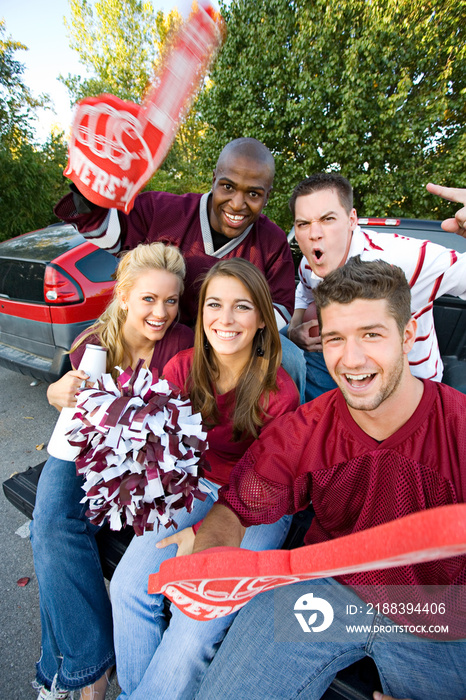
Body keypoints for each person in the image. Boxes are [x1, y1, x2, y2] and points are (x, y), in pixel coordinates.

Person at [192, 258, 466, 700]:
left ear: (408, 336)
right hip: (330, 592)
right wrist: (209, 559)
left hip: (439, 611)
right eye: (336, 338)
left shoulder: (458, 427)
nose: (352, 360)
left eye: (371, 335)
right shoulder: (306, 430)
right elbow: (235, 508)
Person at [110, 258, 300, 699]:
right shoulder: (182, 367)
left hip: (259, 504)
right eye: (215, 304)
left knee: (195, 621)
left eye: (242, 307)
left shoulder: (278, 392)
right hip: (195, 486)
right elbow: (163, 450)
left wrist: (201, 533)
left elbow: (262, 487)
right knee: (129, 587)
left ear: (261, 320)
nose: (226, 319)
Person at [30, 242, 194, 700]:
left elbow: (172, 434)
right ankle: (91, 674)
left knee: (53, 542)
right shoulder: (92, 344)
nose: (161, 312)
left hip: (144, 469)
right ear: (123, 296)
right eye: (148, 298)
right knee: (51, 527)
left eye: (171, 300)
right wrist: (55, 392)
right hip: (86, 451)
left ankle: (71, 675)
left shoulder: (181, 346)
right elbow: (76, 416)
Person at [54, 137, 306, 401]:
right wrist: (92, 180)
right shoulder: (162, 210)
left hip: (231, 338)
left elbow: (280, 307)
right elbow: (104, 230)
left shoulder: (272, 240)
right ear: (214, 178)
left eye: (253, 193)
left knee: (289, 357)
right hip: (161, 335)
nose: (237, 204)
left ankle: (291, 430)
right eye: (228, 187)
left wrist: (221, 336)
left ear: (268, 195)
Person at [287, 173, 466, 401]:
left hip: (409, 387)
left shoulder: (403, 258)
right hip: (344, 374)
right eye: (303, 224)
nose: (314, 234)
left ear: (352, 220)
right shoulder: (308, 264)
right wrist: (294, 330)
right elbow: (303, 293)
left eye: (327, 219)